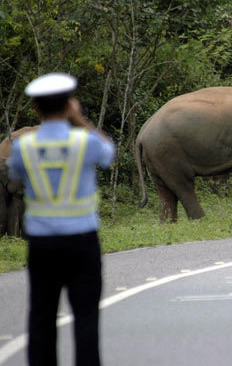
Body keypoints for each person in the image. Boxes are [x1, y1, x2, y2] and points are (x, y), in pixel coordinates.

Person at [7, 73, 115, 366]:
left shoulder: (23, 146)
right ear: (70, 105)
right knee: (86, 316)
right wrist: (81, 122)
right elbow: (109, 154)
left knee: (42, 315)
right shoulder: (85, 142)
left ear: (35, 109)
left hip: (42, 244)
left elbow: (15, 174)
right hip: (82, 240)